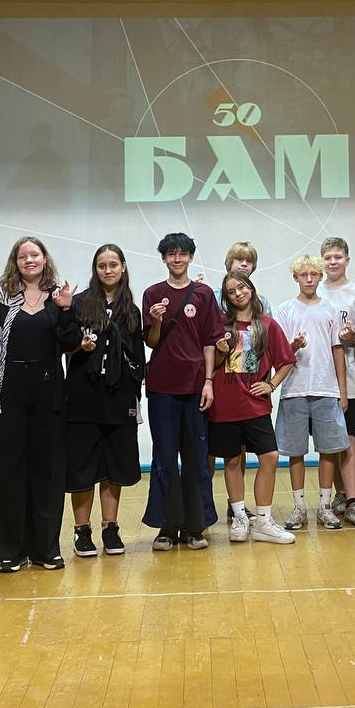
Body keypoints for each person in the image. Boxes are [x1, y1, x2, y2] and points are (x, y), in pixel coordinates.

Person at [0, 236, 81, 571]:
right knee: (11, 471)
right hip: (9, 393)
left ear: (44, 259)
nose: (29, 260)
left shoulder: (58, 297)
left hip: (49, 393)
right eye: (23, 256)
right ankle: (12, 550)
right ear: (16, 262)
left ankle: (46, 549)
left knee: (48, 471)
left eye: (35, 255)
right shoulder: (1, 298)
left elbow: (71, 342)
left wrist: (67, 309)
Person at [142, 232, 223, 550]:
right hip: (161, 386)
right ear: (164, 258)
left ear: (191, 257)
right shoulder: (152, 294)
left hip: (195, 386)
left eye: (183, 253)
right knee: (164, 456)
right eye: (171, 254)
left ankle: (195, 526)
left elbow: (210, 341)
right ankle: (166, 525)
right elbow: (151, 342)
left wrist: (208, 381)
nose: (177, 259)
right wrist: (156, 322)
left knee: (196, 457)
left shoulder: (203, 294)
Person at [66, 244, 145, 558]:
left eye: (113, 264)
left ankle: (110, 527)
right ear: (95, 269)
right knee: (82, 466)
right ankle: (81, 530)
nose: (108, 270)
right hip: (83, 397)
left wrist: (135, 395)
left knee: (115, 466)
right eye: (102, 265)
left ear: (123, 267)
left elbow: (137, 357)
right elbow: (64, 344)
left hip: (119, 397)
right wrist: (79, 345)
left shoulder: (131, 310)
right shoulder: (78, 304)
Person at [208, 271, 295, 544]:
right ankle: (239, 517)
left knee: (270, 457)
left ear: (251, 288)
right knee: (232, 461)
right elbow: (211, 364)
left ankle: (263, 521)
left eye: (241, 287)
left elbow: (286, 360)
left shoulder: (268, 325)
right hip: (224, 405)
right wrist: (221, 350)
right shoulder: (220, 325)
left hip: (255, 406)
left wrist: (271, 385)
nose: (238, 293)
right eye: (231, 291)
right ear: (226, 298)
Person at [276, 255, 350, 530]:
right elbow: (279, 352)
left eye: (313, 274)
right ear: (295, 277)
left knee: (328, 450)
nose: (309, 279)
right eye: (303, 274)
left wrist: (342, 391)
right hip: (294, 389)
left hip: (326, 388)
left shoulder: (330, 309)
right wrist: (293, 346)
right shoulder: (285, 310)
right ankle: (298, 507)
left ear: (320, 276)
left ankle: (325, 506)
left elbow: (338, 350)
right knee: (295, 451)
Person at [319, 237, 355, 529]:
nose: (333, 262)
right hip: (320, 380)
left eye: (338, 257)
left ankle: (353, 501)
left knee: (349, 438)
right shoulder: (314, 291)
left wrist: (353, 338)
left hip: (350, 378)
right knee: (329, 442)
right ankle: (339, 494)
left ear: (347, 260)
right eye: (328, 257)